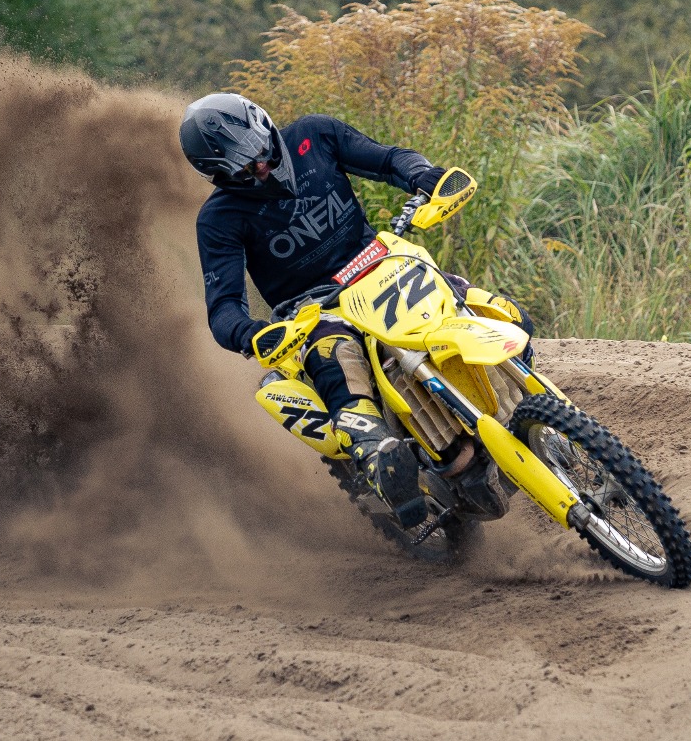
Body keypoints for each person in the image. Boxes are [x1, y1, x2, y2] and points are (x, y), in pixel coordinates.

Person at [179, 92, 532, 529]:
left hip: (382, 265)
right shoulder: (219, 219)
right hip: (313, 310)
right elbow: (223, 308)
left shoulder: (315, 135)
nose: (262, 168)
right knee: (336, 360)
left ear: (265, 125)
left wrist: (422, 175)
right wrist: (254, 334)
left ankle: (525, 407)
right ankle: (382, 462)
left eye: (262, 153)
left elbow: (388, 160)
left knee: (498, 311)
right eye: (245, 168)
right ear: (215, 174)